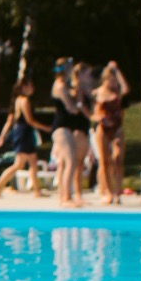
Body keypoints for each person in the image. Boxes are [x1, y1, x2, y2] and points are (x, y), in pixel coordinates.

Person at [0, 79, 53, 198]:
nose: (32, 87)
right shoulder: (24, 100)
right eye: (30, 85)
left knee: (31, 163)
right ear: (24, 87)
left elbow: (10, 121)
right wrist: (46, 128)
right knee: (20, 164)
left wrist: (2, 137)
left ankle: (36, 191)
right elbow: (30, 121)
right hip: (24, 133)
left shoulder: (16, 101)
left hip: (21, 133)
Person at [49, 59, 88, 209]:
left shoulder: (63, 85)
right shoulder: (60, 86)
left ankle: (64, 195)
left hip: (65, 128)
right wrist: (77, 101)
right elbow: (71, 108)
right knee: (71, 161)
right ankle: (66, 197)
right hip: (61, 128)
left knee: (64, 163)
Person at [92, 61, 129, 204]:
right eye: (110, 79)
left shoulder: (118, 91)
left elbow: (126, 88)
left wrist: (117, 70)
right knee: (104, 161)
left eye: (114, 79)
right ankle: (108, 192)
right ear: (105, 79)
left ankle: (118, 192)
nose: (113, 82)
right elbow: (93, 114)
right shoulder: (98, 93)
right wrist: (99, 118)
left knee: (118, 159)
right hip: (103, 128)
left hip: (117, 128)